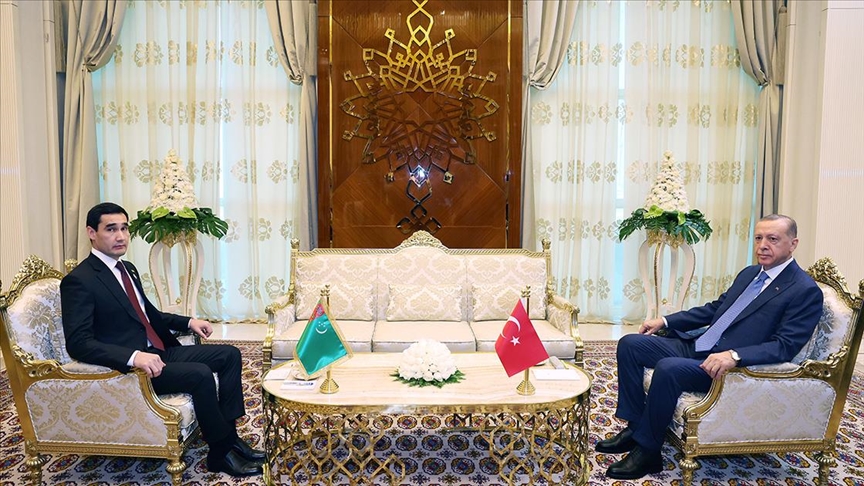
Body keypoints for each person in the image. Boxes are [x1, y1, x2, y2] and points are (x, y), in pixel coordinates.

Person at [597, 214, 824, 480]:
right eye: (759, 238)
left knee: (668, 368)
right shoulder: (750, 273)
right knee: (631, 344)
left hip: (727, 366)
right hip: (702, 345)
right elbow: (716, 309)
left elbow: (784, 346)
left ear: (793, 244)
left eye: (773, 239)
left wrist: (735, 355)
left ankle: (648, 452)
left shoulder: (804, 290)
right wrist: (666, 320)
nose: (763, 245)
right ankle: (635, 428)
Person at [60, 202, 265, 477]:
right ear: (91, 233)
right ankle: (220, 454)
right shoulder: (80, 280)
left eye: (124, 228)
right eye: (111, 229)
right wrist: (134, 357)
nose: (120, 236)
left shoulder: (126, 268)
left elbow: (148, 314)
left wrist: (188, 322)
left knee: (229, 355)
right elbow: (78, 343)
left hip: (159, 351)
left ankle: (230, 439)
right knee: (200, 374)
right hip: (135, 368)